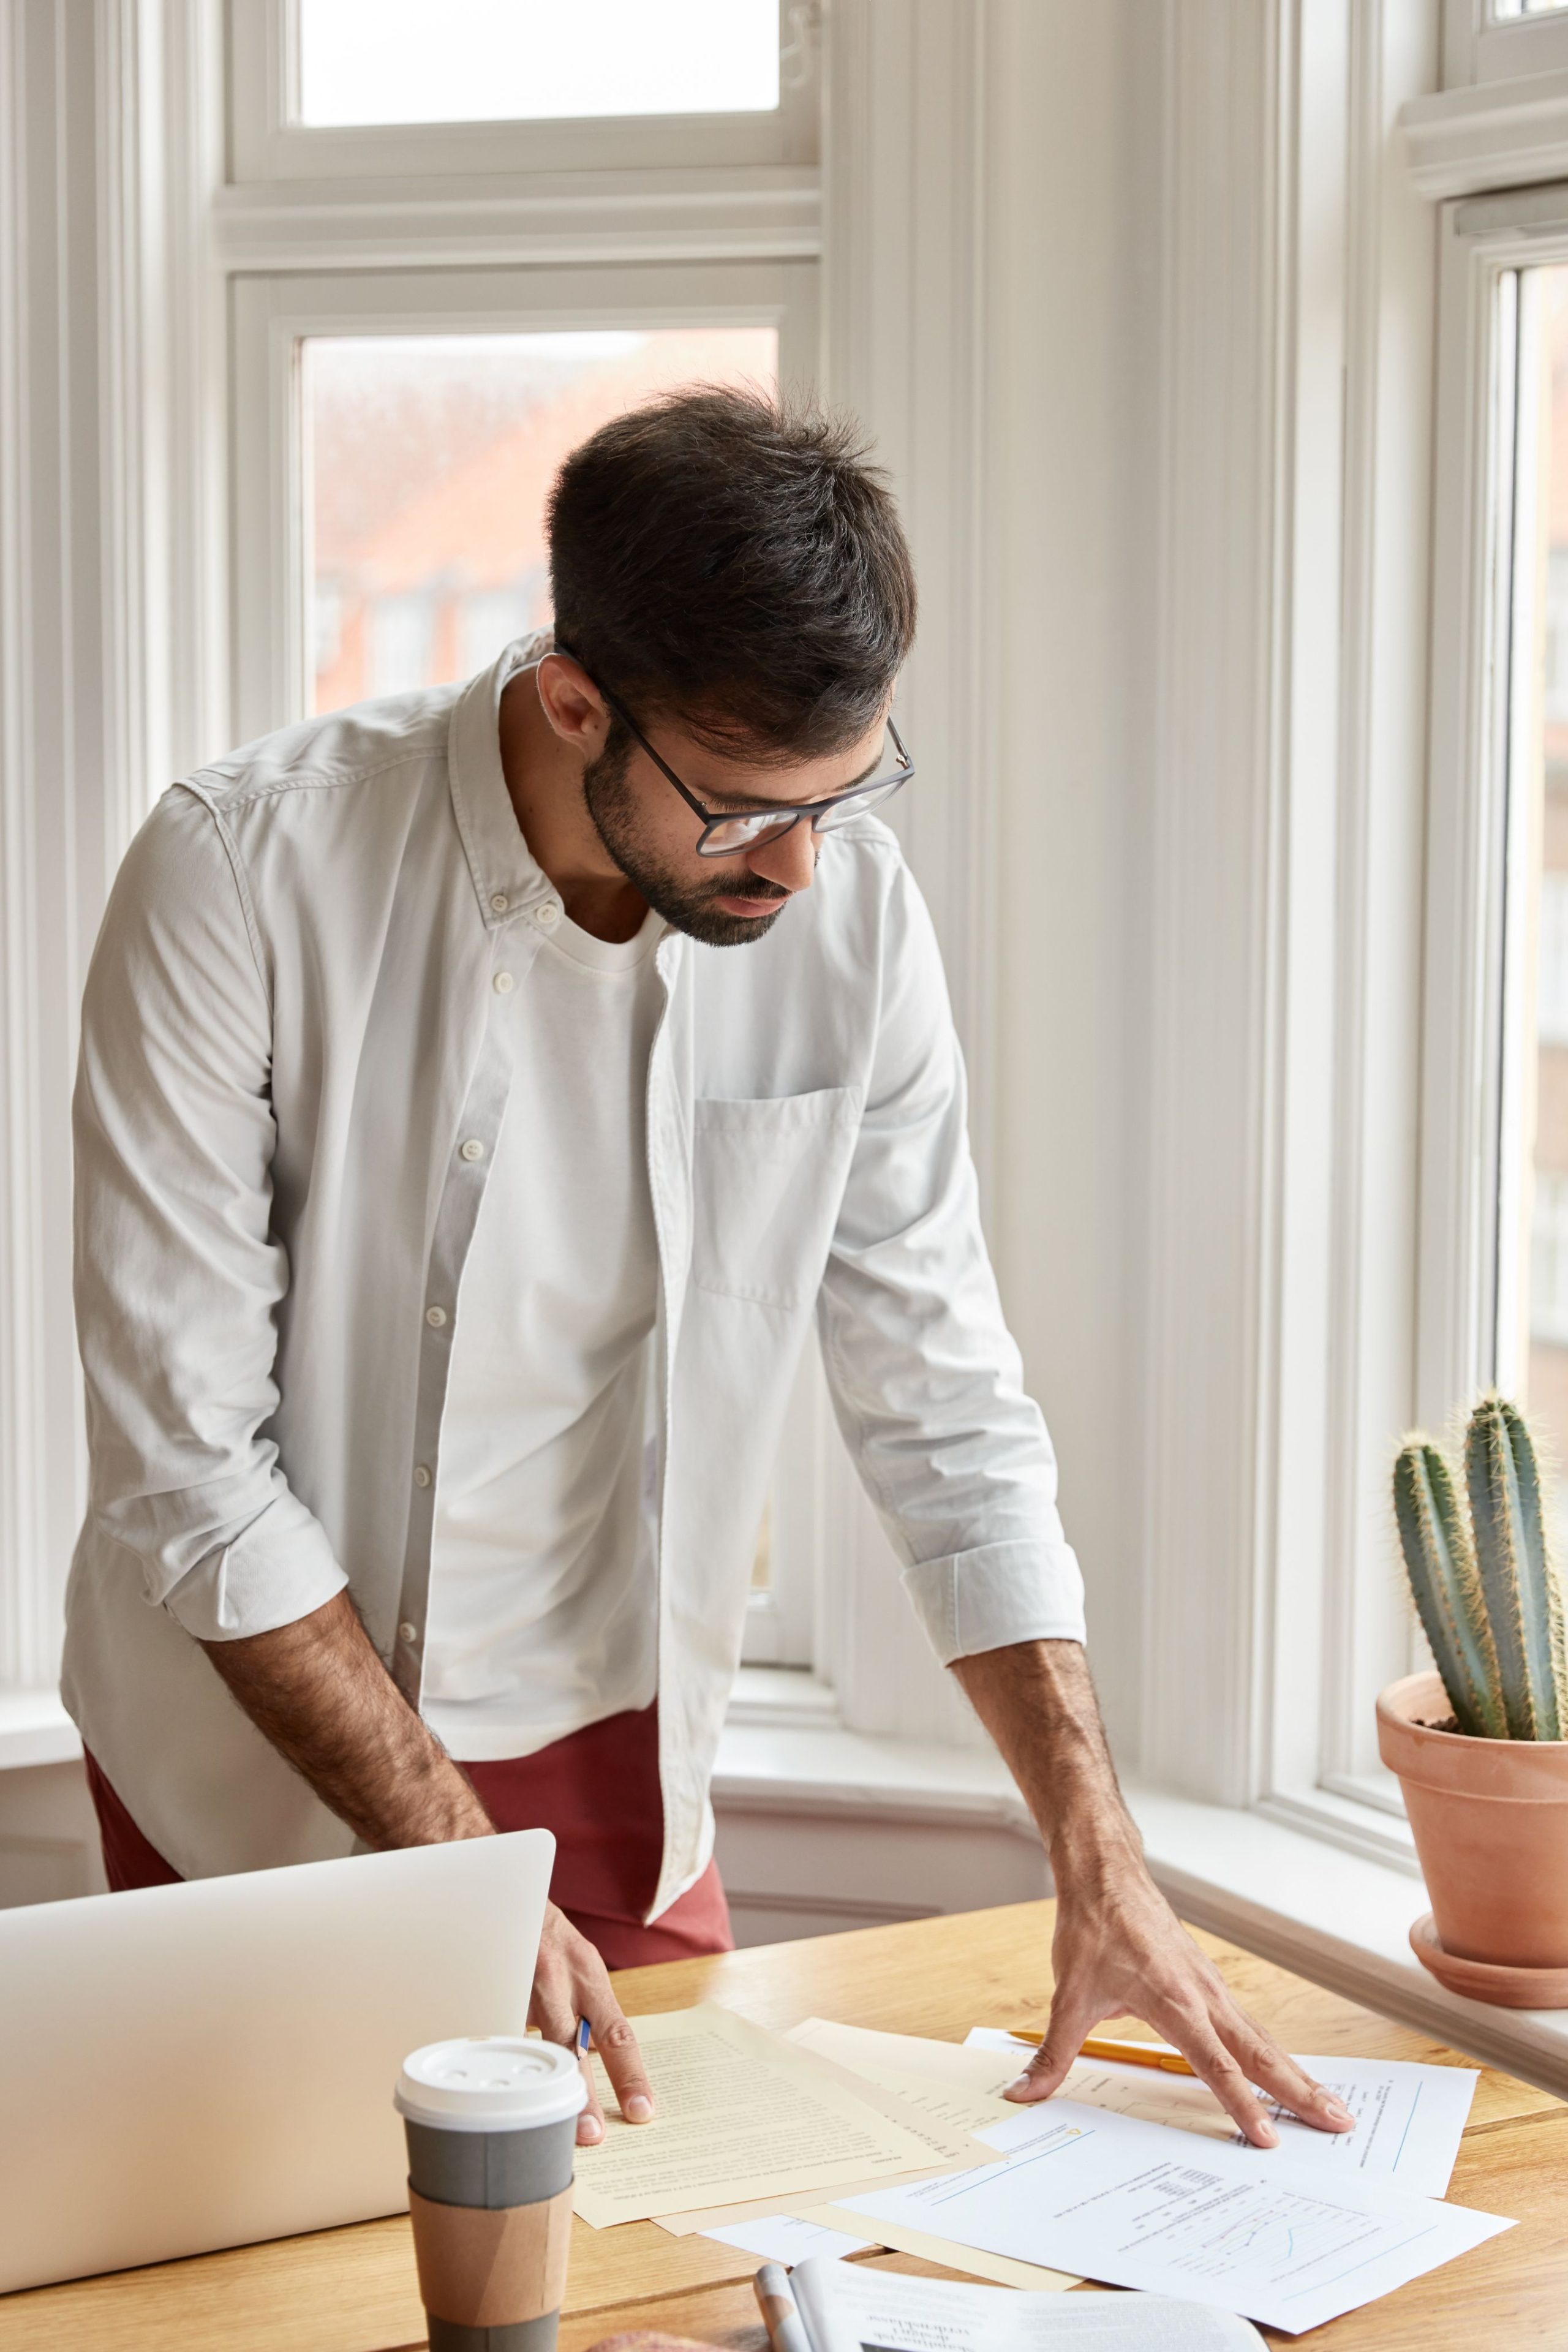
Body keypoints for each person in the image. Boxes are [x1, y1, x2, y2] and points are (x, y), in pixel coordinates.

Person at [62, 387, 1353, 2156]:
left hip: (623, 1749)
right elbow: (188, 1470)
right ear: (573, 698)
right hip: (258, 1752)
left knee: (704, 2266)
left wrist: (1098, 1853)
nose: (805, 866)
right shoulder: (236, 869)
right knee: (299, 2290)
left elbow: (944, 1403)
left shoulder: (850, 916)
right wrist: (451, 1869)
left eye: (849, 791)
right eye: (748, 810)